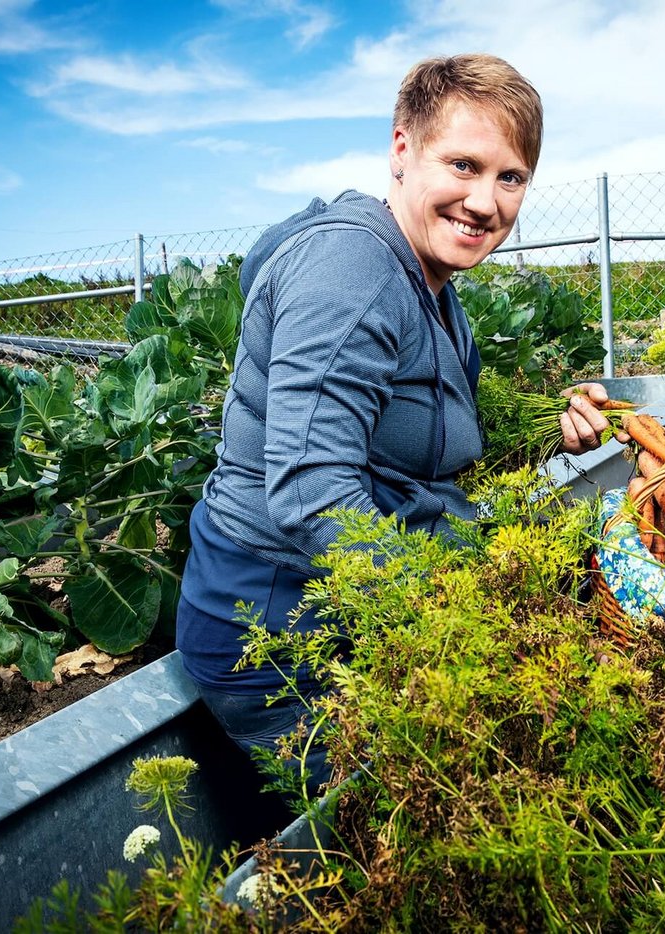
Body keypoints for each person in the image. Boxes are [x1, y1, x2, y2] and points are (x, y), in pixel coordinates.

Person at [176, 53, 621, 794]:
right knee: (396, 833)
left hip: (355, 602)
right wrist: (467, 609)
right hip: (280, 634)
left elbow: (417, 438)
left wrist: (556, 432)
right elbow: (310, 491)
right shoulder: (352, 270)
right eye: (463, 165)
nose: (486, 201)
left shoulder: (432, 283)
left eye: (510, 177)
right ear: (403, 150)